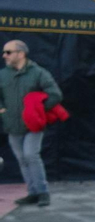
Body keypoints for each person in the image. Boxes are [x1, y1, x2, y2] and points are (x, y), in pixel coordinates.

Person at [0, 38, 63, 207]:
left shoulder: (38, 73)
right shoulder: (3, 74)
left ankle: (42, 192)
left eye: (8, 52)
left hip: (33, 125)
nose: (4, 55)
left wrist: (39, 110)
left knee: (30, 155)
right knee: (22, 158)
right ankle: (33, 192)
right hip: (12, 125)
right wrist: (3, 111)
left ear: (21, 54)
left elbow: (55, 94)